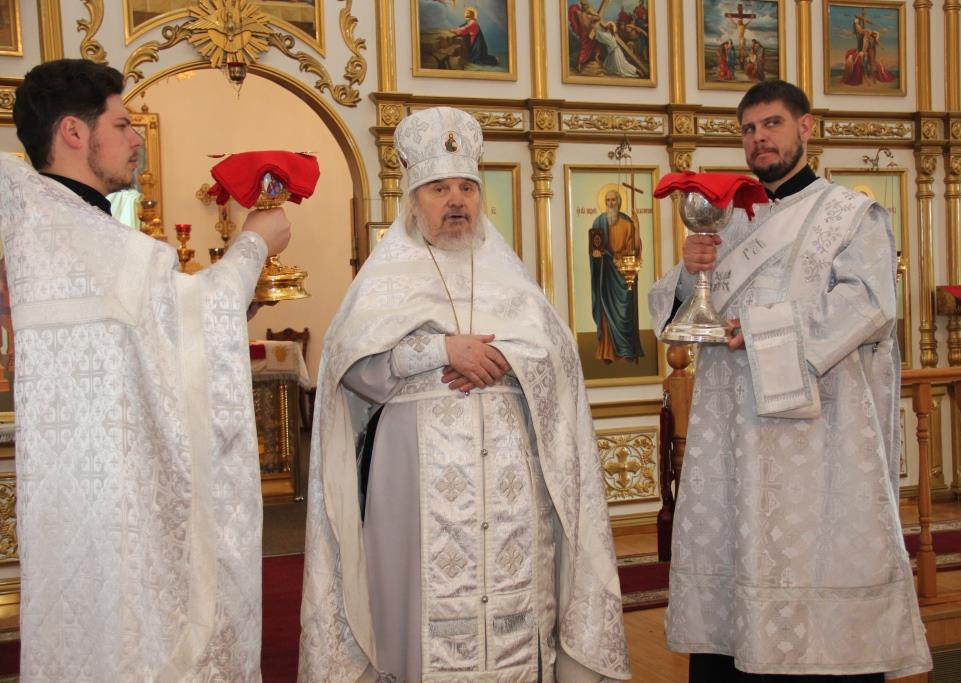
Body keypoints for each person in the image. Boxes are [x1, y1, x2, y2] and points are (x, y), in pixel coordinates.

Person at [298, 107, 630, 682]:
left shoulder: (508, 273)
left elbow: (557, 358)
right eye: (439, 188)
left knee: (515, 596)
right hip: (413, 480)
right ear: (413, 201)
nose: (456, 200)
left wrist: (505, 361)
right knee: (416, 607)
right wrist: (439, 350)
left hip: (511, 484)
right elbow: (350, 365)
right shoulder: (386, 275)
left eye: (466, 188)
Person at [1, 59, 292, 680]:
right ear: (74, 132)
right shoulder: (74, 229)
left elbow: (159, 338)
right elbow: (196, 311)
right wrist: (255, 243)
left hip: (82, 493)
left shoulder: (50, 222)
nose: (137, 139)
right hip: (112, 499)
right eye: (123, 124)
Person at [649, 80, 932, 682]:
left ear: (805, 127)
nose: (760, 139)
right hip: (734, 433)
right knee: (740, 549)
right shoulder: (731, 220)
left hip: (820, 436)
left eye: (772, 124)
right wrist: (689, 274)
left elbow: (870, 303)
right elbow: (679, 313)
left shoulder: (851, 214)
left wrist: (761, 330)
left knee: (811, 554)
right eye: (749, 130)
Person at [589, 189, 643, 363]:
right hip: (605, 273)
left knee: (625, 311)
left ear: (619, 202)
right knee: (606, 312)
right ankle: (608, 352)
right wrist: (596, 256)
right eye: (608, 200)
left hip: (623, 272)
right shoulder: (598, 222)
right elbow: (594, 249)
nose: (611, 203)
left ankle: (627, 351)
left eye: (613, 200)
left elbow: (634, 250)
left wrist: (637, 228)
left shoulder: (627, 222)